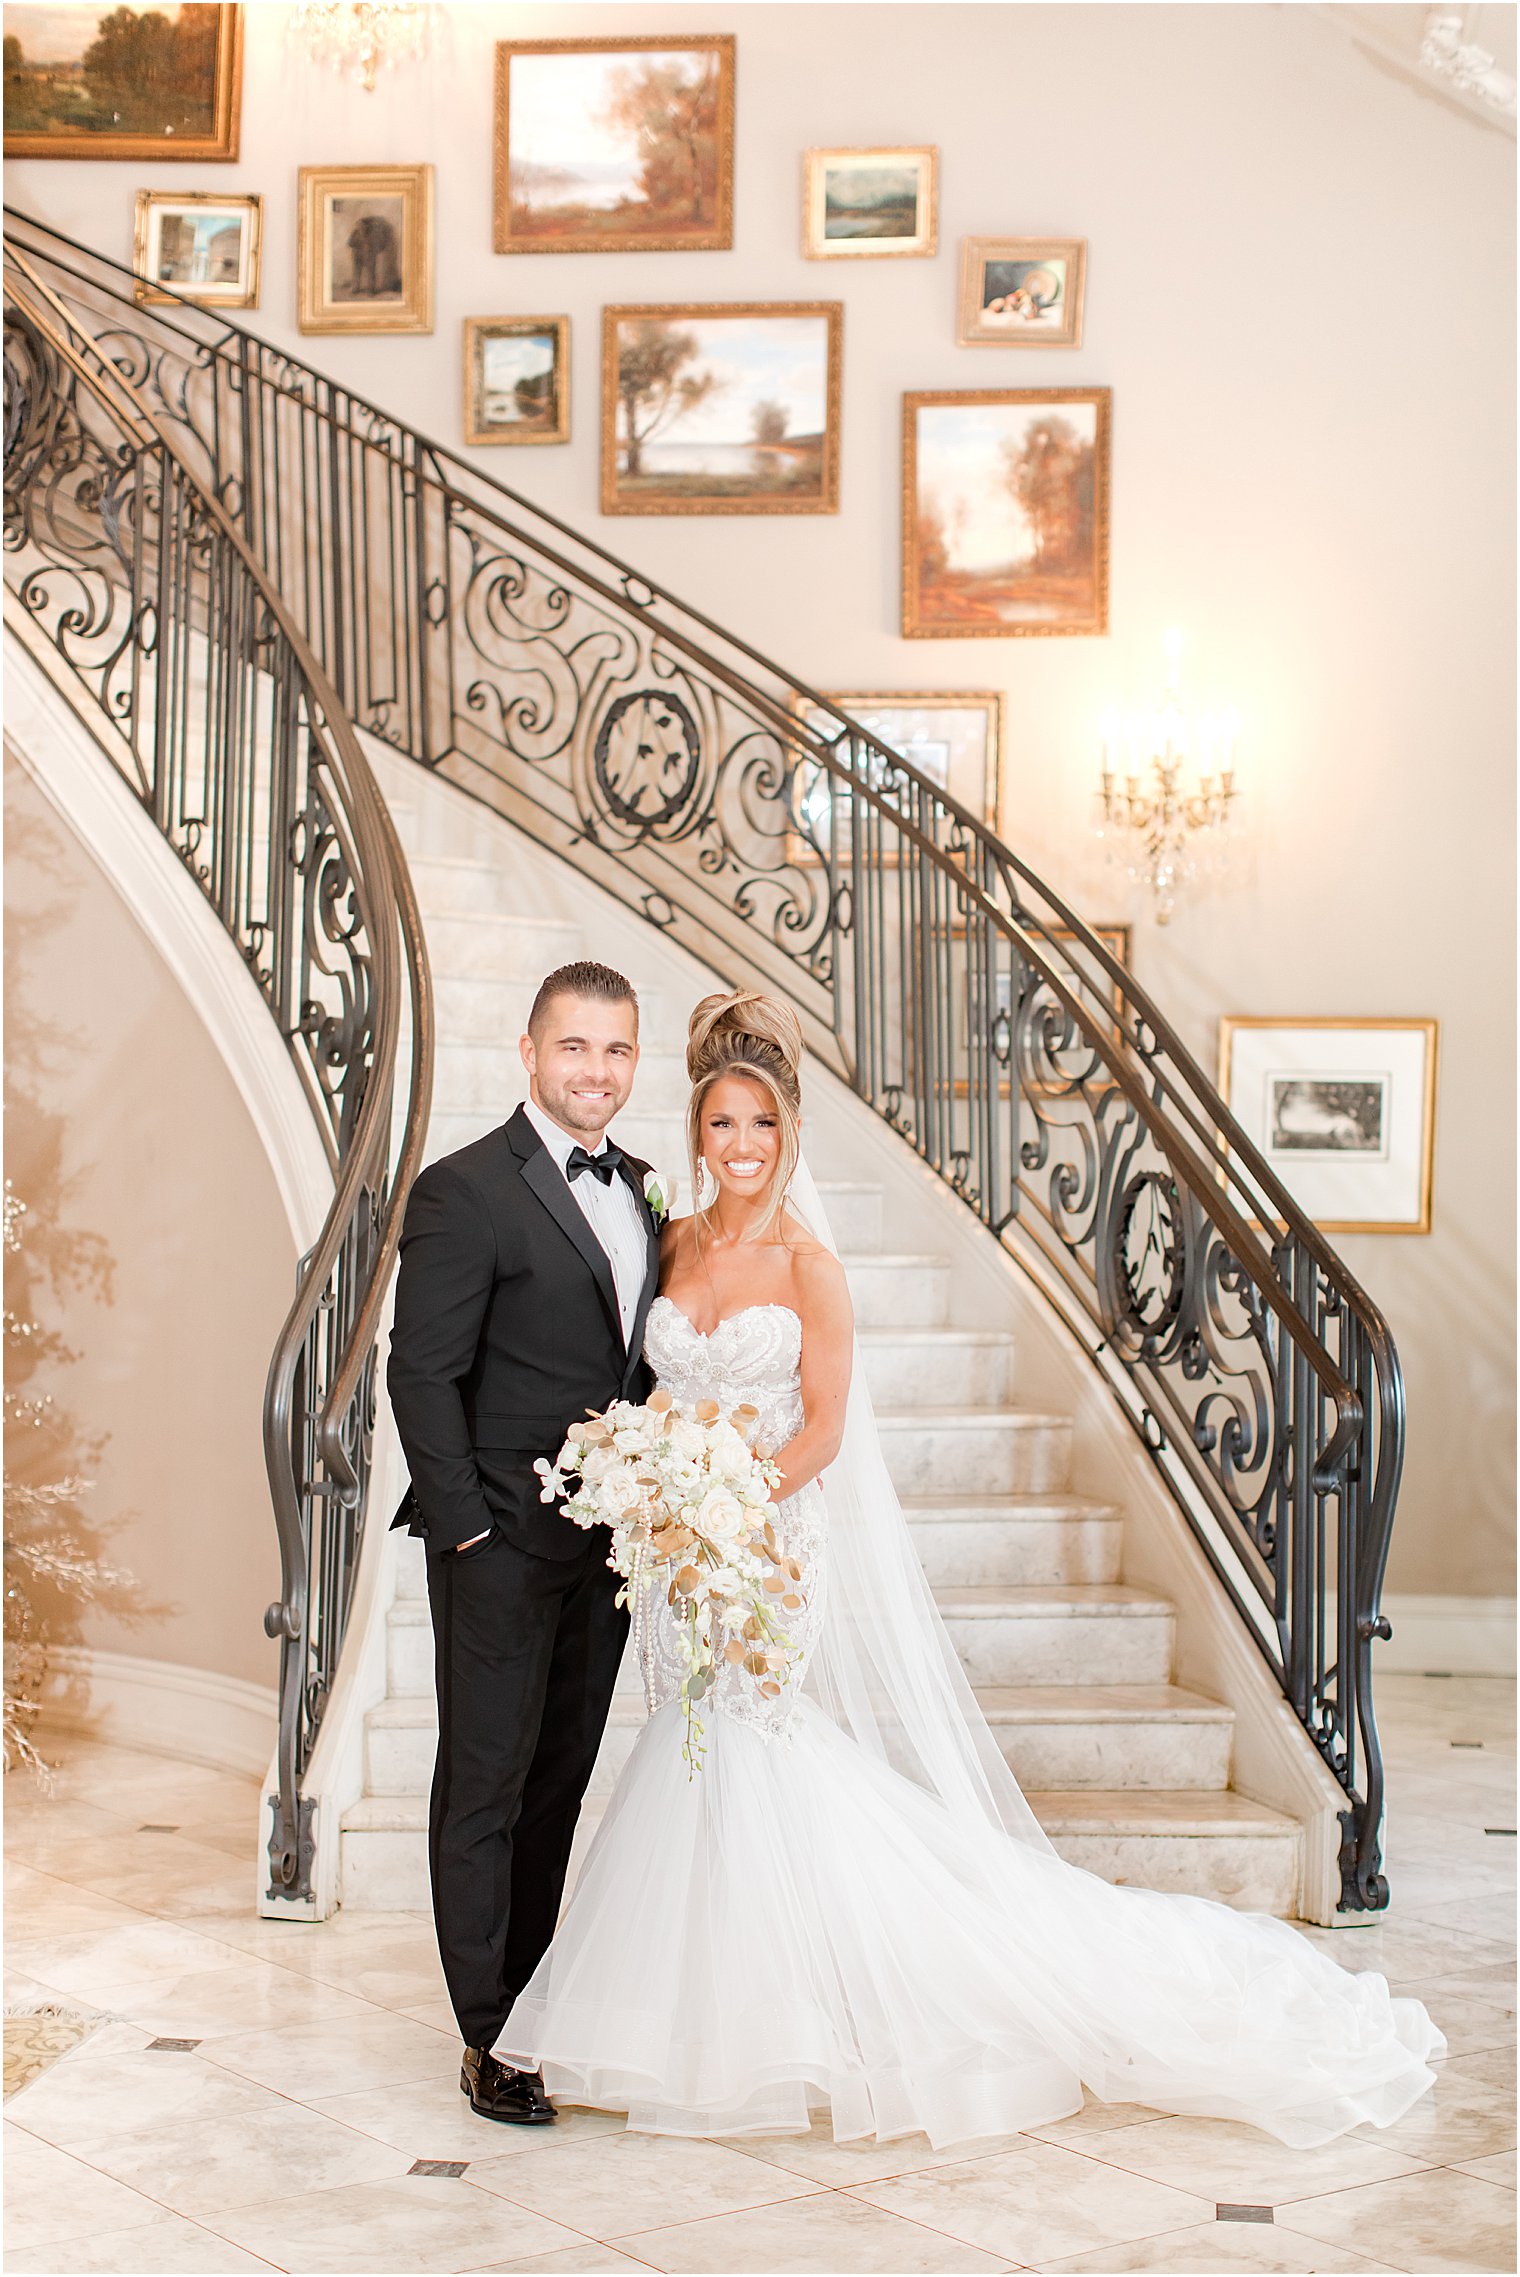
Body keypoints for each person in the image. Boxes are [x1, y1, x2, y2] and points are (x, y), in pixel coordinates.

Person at [495, 985, 1445, 2151]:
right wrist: (652, 1491)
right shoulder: (674, 1238)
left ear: (788, 1133)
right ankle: (694, 2011)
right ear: (695, 1130)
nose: (739, 1147)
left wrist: (730, 1512)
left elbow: (823, 1432)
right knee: (686, 1740)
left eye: (760, 1126)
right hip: (674, 1555)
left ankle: (780, 2023)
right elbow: (653, 1389)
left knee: (749, 1734)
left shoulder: (808, 1265)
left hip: (768, 1545)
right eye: (720, 1125)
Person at [387, 961, 660, 2126]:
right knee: (485, 1786)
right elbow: (421, 1371)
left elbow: (637, 1364)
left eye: (615, 1052)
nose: (594, 1072)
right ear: (529, 1052)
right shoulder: (465, 1189)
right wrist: (464, 1532)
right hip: (496, 1541)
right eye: (574, 1048)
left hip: (606, 1551)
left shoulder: (648, 1191)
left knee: (559, 1783)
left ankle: (536, 2004)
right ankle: (487, 2036)